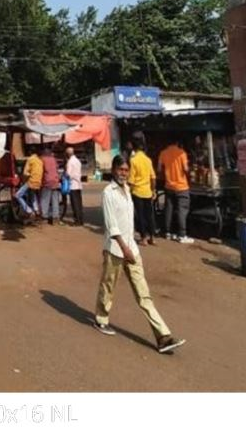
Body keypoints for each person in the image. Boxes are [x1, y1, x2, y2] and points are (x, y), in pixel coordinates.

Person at [93, 156, 186, 354]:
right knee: (108, 287)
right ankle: (101, 318)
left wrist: (132, 246)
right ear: (114, 170)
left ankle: (163, 336)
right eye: (121, 170)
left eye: (126, 170)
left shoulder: (127, 190)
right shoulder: (108, 193)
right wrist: (124, 248)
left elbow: (129, 222)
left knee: (143, 294)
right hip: (115, 250)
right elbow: (112, 226)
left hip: (131, 249)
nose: (124, 173)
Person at [158, 139, 193, 243]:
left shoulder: (163, 153)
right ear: (178, 143)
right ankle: (182, 235)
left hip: (169, 186)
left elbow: (159, 169)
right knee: (182, 210)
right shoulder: (182, 153)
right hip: (182, 187)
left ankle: (167, 232)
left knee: (169, 209)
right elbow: (186, 169)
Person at [128, 136, 157, 245]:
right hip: (147, 192)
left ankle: (144, 237)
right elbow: (153, 177)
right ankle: (153, 237)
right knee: (149, 215)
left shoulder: (133, 160)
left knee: (140, 215)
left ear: (134, 149)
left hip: (137, 191)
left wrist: (128, 190)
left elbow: (131, 178)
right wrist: (153, 191)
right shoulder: (148, 160)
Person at [16, 146, 43, 219]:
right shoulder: (39, 160)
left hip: (31, 181)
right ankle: (36, 210)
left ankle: (28, 210)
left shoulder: (30, 159)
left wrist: (23, 180)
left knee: (17, 195)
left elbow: (25, 173)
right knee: (32, 195)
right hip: (39, 182)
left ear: (30, 153)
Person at [40, 145, 61, 225]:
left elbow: (41, 170)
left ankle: (44, 217)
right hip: (55, 181)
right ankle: (56, 217)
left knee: (45, 199)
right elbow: (57, 167)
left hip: (47, 181)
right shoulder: (53, 159)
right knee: (55, 200)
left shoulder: (42, 159)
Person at [65, 147, 84, 225]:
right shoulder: (78, 161)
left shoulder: (70, 162)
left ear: (68, 154)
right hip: (78, 184)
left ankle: (77, 220)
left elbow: (68, 174)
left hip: (73, 185)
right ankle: (80, 219)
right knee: (79, 203)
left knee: (75, 203)